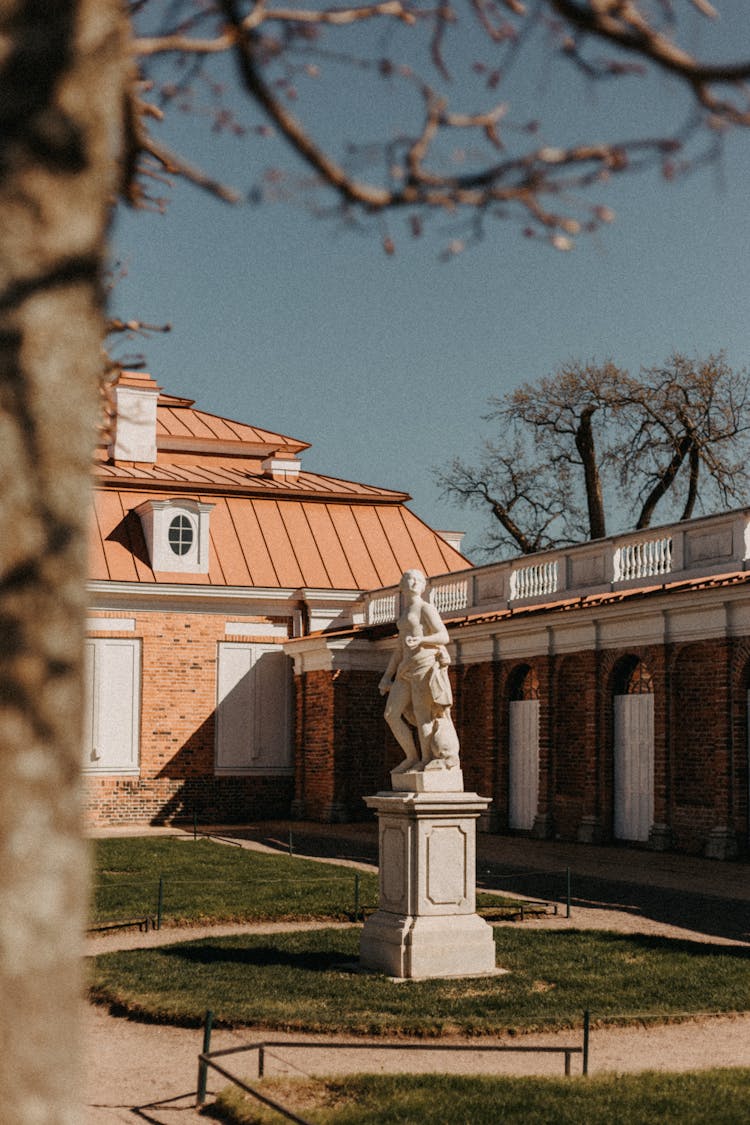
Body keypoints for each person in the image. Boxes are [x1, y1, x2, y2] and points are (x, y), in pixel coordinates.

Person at [378, 569, 460, 772]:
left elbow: (443, 636)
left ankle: (424, 760)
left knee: (424, 716)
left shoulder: (426, 608)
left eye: (418, 580)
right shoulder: (405, 614)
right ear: (402, 585)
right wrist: (387, 676)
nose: (414, 583)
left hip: (424, 666)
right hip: (405, 668)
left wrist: (422, 640)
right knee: (391, 714)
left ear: (423, 586)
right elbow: (399, 649)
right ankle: (412, 757)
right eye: (409, 579)